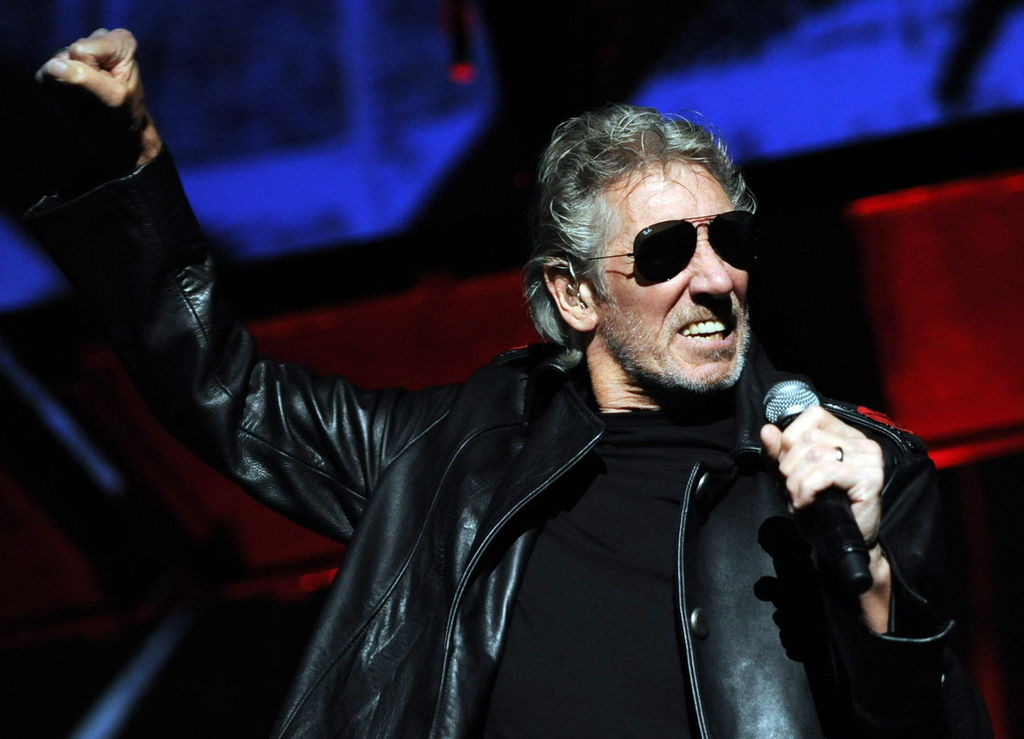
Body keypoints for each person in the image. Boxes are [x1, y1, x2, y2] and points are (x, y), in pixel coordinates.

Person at [29, 29, 989, 738]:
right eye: (666, 250)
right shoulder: (453, 455)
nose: (714, 278)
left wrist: (866, 569)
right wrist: (133, 167)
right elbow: (222, 390)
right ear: (574, 294)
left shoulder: (860, 470)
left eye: (729, 240)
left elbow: (922, 723)